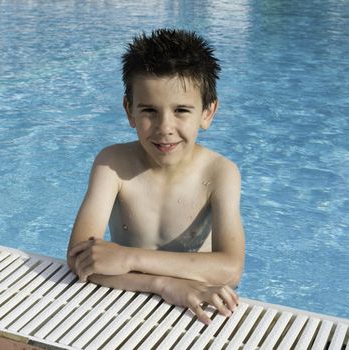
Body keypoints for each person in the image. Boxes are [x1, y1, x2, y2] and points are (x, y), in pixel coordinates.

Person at [67, 28, 245, 325]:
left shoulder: (219, 173)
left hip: (201, 306)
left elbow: (230, 269)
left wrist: (130, 259)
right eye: (149, 110)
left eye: (181, 110)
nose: (165, 127)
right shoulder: (112, 164)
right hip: (123, 299)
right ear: (129, 111)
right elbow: (79, 258)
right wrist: (163, 284)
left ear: (207, 113)